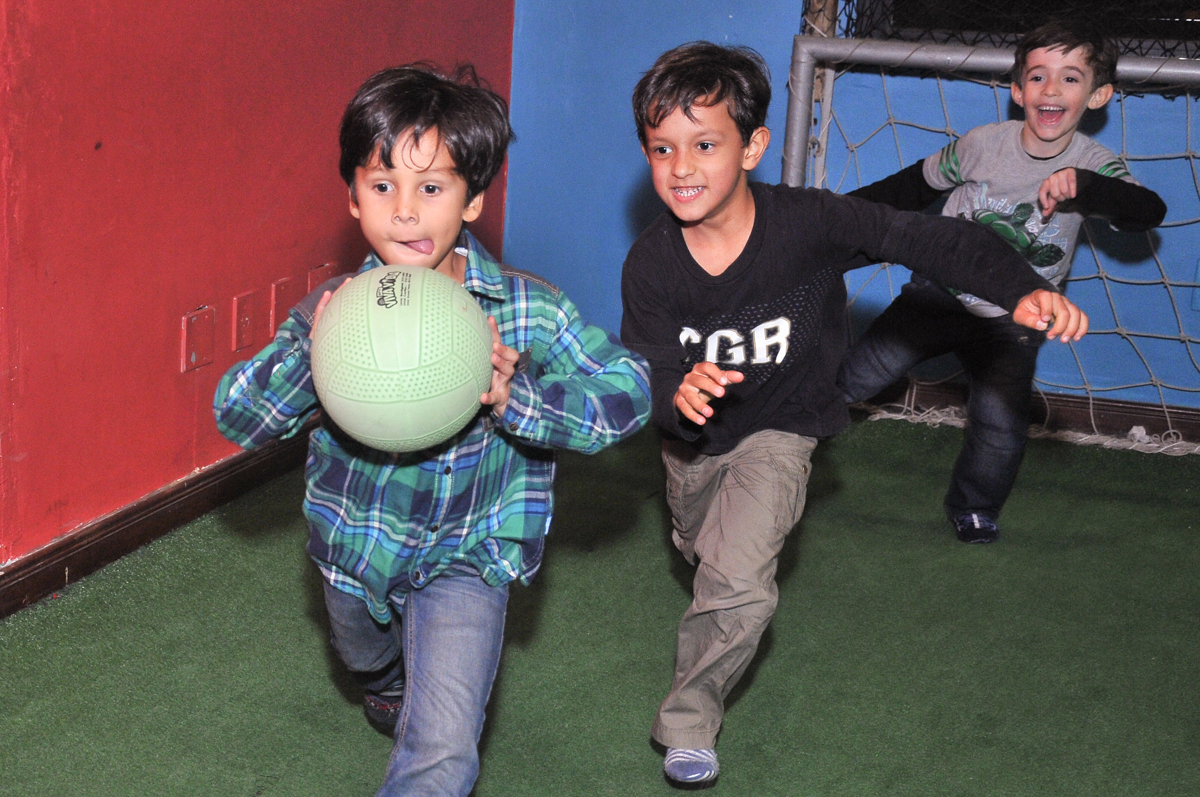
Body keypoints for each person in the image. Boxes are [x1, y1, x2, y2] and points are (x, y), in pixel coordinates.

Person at [619, 41, 1089, 787]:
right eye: (662, 148)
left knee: (739, 583)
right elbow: (643, 355)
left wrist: (1017, 286)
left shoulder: (808, 224)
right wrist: (673, 387)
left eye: (705, 144)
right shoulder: (651, 261)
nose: (682, 167)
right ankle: (707, 553)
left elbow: (925, 236)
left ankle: (688, 722)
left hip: (783, 426)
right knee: (703, 551)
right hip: (694, 445)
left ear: (753, 146)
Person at [214, 64, 651, 796]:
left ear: (474, 198)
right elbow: (238, 414)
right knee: (362, 654)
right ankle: (386, 680)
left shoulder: (523, 309)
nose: (406, 212)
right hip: (355, 549)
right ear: (353, 197)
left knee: (443, 748)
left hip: (468, 556)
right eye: (383, 186)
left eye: (433, 187)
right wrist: (307, 356)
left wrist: (521, 397)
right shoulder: (333, 312)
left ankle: (418, 710)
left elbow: (630, 390)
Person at [840, 20, 1166, 544]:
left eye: (1070, 78)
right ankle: (784, 440)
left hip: (1016, 319)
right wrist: (833, 217)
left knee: (999, 423)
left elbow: (1147, 211)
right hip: (938, 294)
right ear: (1017, 90)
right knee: (858, 376)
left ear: (1099, 95)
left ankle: (974, 507)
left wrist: (1089, 191)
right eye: (1037, 77)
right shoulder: (980, 145)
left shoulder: (1094, 164)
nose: (1050, 90)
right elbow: (905, 188)